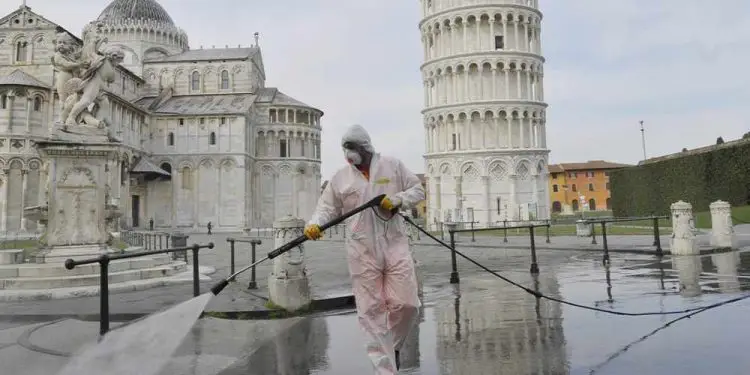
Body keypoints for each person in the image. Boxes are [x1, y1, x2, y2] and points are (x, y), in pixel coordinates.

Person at [304, 124, 424, 374]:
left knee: (408, 304)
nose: (349, 156)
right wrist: (315, 224)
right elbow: (326, 208)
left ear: (365, 148)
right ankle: (385, 369)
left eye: (353, 149)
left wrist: (399, 200)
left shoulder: (392, 166)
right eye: (345, 150)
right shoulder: (340, 178)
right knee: (371, 311)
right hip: (361, 249)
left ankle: (393, 346)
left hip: (394, 243)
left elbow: (417, 189)